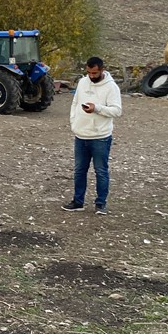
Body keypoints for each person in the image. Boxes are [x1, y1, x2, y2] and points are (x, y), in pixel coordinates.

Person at [62, 56, 122, 215]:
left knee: (101, 171)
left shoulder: (111, 87)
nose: (92, 76)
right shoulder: (83, 82)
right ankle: (78, 201)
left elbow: (117, 111)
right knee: (79, 171)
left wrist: (97, 108)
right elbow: (75, 103)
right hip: (81, 135)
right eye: (89, 72)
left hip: (100, 137)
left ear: (102, 70)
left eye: (95, 73)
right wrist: (74, 123)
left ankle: (101, 203)